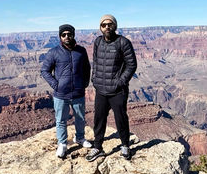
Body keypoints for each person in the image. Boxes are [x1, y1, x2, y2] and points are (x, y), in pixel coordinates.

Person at [87, 14, 137, 161]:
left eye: (110, 24)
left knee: (120, 118)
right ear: (100, 27)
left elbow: (131, 64)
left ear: (115, 26)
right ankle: (97, 147)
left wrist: (120, 82)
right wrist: (94, 79)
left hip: (117, 91)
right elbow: (95, 61)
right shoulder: (97, 42)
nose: (107, 27)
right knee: (99, 119)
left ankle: (125, 146)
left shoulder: (123, 42)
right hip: (101, 89)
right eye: (104, 25)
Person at [40, 24, 92, 159]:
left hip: (78, 92)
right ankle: (62, 143)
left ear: (73, 35)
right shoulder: (53, 52)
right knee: (61, 120)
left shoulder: (81, 51)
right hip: (61, 94)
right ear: (60, 37)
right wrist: (55, 85)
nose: (67, 37)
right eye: (64, 35)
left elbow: (87, 68)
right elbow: (44, 70)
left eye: (69, 34)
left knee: (80, 118)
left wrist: (85, 83)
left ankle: (80, 138)